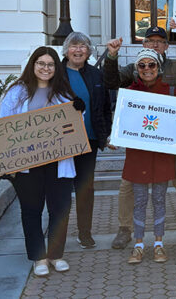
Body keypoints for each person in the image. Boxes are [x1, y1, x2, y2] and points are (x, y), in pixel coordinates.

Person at [105, 26, 176, 248]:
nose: (155, 44)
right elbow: (111, 82)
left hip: (170, 141)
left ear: (166, 46)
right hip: (141, 140)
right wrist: (111, 57)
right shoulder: (133, 68)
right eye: (150, 40)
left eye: (160, 41)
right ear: (143, 45)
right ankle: (125, 228)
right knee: (128, 184)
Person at [0, 47, 82, 277]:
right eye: (41, 63)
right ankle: (39, 257)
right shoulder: (17, 92)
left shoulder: (64, 93)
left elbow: (75, 126)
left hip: (58, 162)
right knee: (31, 210)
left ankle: (56, 255)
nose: (45, 68)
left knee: (60, 209)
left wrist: (79, 109)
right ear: (32, 65)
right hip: (28, 163)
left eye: (50, 64)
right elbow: (4, 125)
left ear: (56, 68)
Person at [122, 49, 176, 265]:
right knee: (139, 201)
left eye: (151, 65)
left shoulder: (170, 92)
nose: (147, 69)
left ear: (158, 68)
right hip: (139, 156)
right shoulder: (129, 93)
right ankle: (138, 245)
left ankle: (158, 243)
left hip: (161, 155)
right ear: (137, 69)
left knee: (159, 200)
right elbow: (123, 123)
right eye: (142, 65)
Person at [60, 32, 112, 250]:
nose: (78, 50)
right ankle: (57, 234)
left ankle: (85, 232)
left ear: (89, 51)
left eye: (83, 46)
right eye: (74, 46)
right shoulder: (55, 73)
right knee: (60, 189)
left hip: (88, 139)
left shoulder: (95, 75)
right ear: (66, 50)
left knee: (85, 188)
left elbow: (104, 105)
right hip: (61, 142)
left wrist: (106, 133)